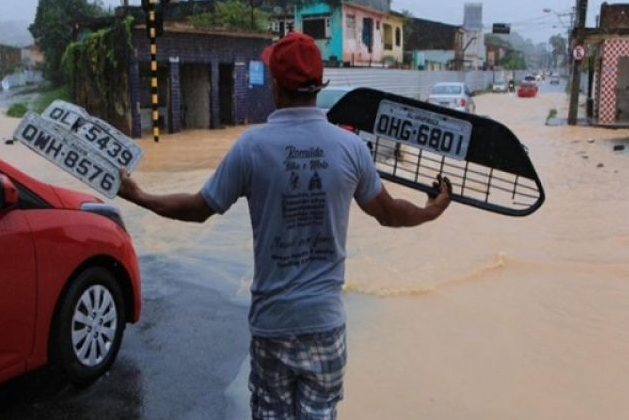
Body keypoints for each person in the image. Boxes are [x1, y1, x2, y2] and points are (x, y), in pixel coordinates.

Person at [117, 31, 452, 419]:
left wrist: (139, 195)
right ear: (319, 84)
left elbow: (199, 208)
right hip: (325, 325)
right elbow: (389, 213)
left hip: (272, 326)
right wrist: (432, 209)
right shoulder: (350, 149)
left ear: (276, 85)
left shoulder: (251, 147)